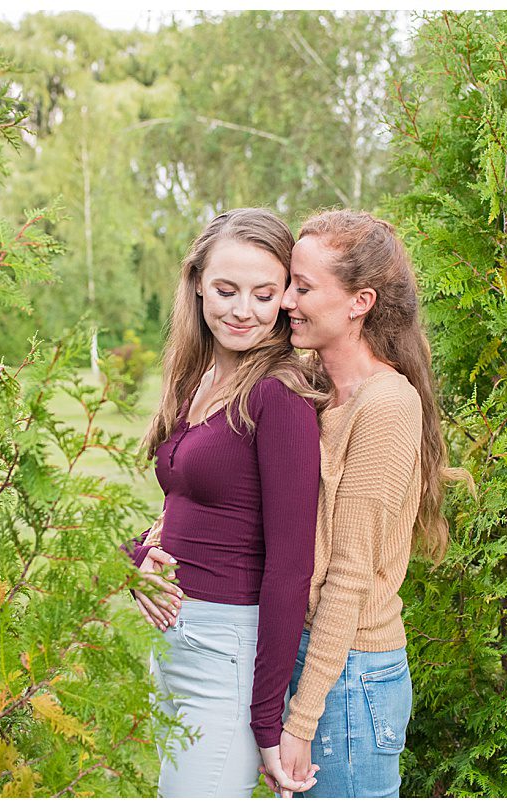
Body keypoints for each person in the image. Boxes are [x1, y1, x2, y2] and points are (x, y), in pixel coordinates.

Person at [260, 210, 473, 798]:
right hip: (312, 659)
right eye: (288, 284)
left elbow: (350, 573)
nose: (285, 302)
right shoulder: (312, 386)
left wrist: (302, 719)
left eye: (303, 288)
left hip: (350, 675)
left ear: (361, 302)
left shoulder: (384, 406)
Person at [123, 208, 325, 798]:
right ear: (196, 286)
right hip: (177, 643)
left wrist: (269, 722)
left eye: (265, 294)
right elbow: (185, 509)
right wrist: (137, 559)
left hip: (227, 652)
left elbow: (291, 567)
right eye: (226, 290)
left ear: (286, 296)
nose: (243, 311)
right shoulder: (200, 380)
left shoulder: (278, 397)